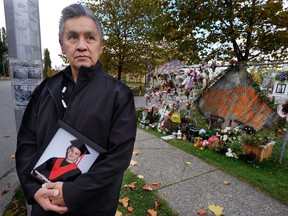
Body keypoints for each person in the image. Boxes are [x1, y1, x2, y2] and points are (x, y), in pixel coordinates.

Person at [15, 3, 137, 216]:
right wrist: (34, 190)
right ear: (62, 45)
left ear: (101, 45)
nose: (81, 45)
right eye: (72, 37)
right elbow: (26, 145)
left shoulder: (119, 95)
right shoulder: (44, 90)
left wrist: (71, 193)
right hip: (44, 207)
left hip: (93, 206)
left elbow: (118, 158)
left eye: (90, 37)